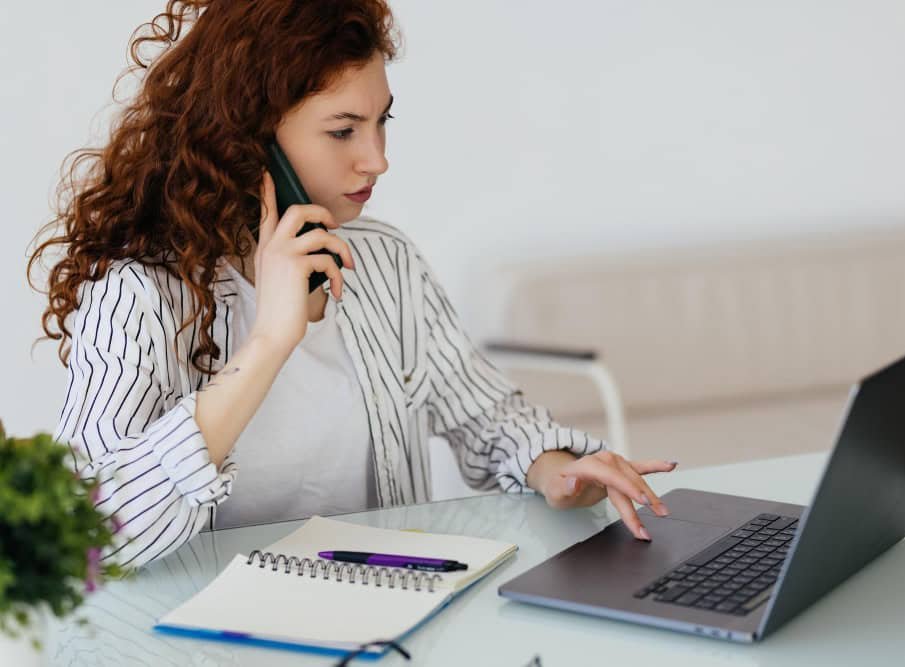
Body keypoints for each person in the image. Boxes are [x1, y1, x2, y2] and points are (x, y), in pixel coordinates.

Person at [27, 0, 677, 570]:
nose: (378, 159)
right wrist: (270, 342)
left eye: (382, 122)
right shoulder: (138, 292)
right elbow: (90, 531)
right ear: (249, 140)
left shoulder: (386, 263)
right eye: (343, 131)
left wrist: (554, 469)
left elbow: (487, 415)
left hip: (385, 620)